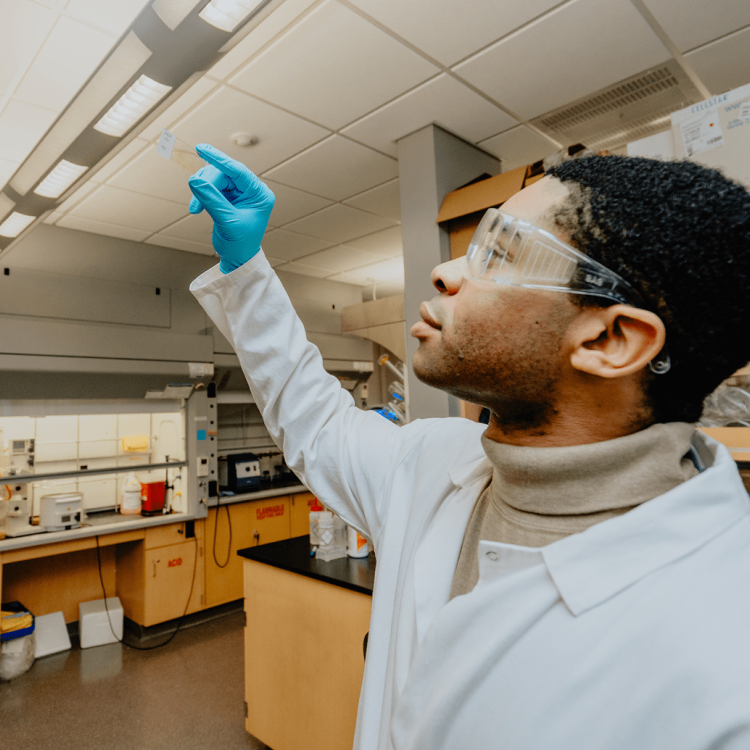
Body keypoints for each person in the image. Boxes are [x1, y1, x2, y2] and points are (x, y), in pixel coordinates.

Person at [187, 144, 750, 750]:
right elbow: (318, 423)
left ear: (611, 339)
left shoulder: (722, 660)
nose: (447, 272)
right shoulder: (434, 461)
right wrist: (247, 270)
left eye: (499, 254)